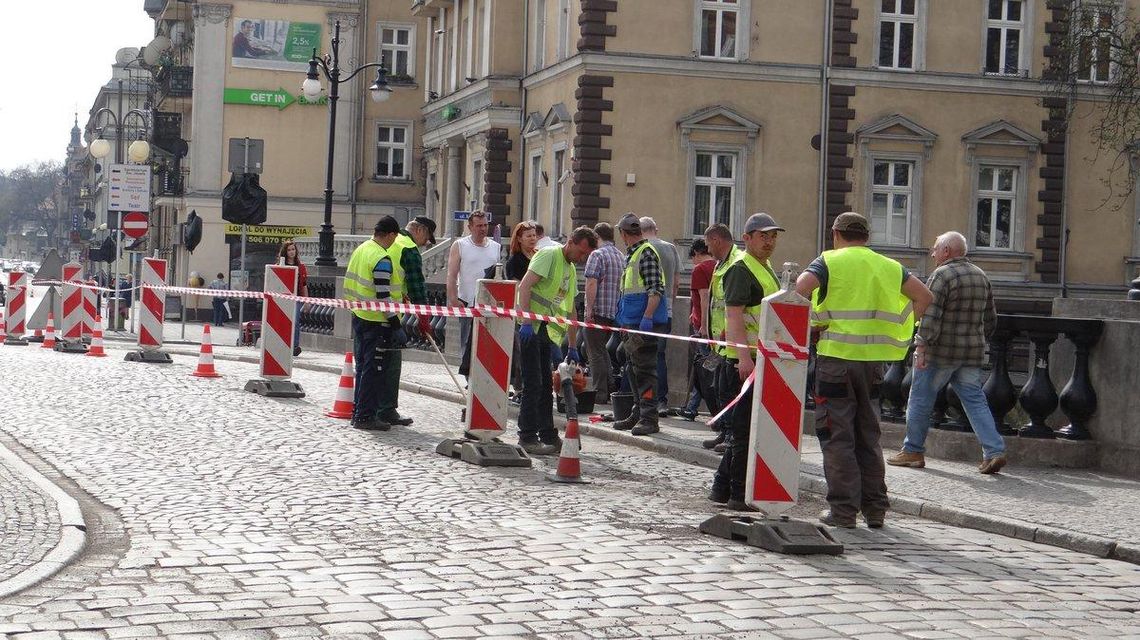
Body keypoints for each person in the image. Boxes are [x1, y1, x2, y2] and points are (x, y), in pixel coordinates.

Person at [795, 212, 933, 529]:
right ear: (866, 237)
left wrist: (811, 327)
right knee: (867, 436)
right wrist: (903, 328)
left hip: (836, 361)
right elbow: (924, 296)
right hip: (874, 363)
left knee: (837, 436)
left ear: (835, 233)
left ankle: (843, 511)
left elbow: (798, 291)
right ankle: (875, 509)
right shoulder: (889, 266)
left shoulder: (828, 261)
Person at [888, 231, 1007, 474]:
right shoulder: (981, 275)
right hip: (971, 353)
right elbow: (991, 319)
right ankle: (994, 451)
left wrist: (921, 345)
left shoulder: (942, 275)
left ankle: (913, 450)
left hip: (939, 353)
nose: (932, 254)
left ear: (946, 251)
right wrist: (978, 339)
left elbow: (931, 315)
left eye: (934, 249)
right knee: (975, 401)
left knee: (921, 398)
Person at [707, 213, 786, 511]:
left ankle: (720, 488)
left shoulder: (764, 267)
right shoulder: (742, 268)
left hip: (757, 358)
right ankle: (738, 496)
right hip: (744, 363)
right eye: (764, 236)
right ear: (748, 237)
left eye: (773, 236)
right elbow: (734, 315)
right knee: (742, 433)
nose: (770, 242)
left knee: (745, 431)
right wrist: (742, 357)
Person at [516, 227, 599, 455]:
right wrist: (525, 321)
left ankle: (547, 435)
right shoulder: (548, 255)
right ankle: (527, 436)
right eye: (581, 253)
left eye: (585, 256)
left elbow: (571, 308)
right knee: (533, 384)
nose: (581, 259)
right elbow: (525, 286)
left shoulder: (570, 269)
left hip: (546, 333)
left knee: (544, 386)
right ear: (570, 242)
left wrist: (572, 345)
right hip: (530, 329)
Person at [343, 216, 426, 431]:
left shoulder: (362, 249)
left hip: (359, 315)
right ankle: (366, 416)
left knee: (362, 368)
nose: (394, 241)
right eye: (394, 237)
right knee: (373, 370)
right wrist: (396, 325)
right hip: (377, 322)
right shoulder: (382, 257)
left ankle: (358, 413)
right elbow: (383, 295)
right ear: (389, 234)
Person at [612, 213, 669, 436]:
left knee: (645, 370)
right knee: (631, 365)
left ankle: (648, 418)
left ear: (624, 234)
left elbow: (655, 289)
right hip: (632, 322)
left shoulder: (644, 253)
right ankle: (639, 412)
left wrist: (647, 317)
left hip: (643, 324)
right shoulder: (634, 254)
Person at [700, 223, 741, 455]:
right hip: (721, 340)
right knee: (721, 390)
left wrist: (726, 331)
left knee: (729, 391)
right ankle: (725, 432)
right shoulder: (720, 264)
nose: (707, 248)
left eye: (708, 244)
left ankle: (732, 435)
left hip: (731, 340)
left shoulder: (736, 261)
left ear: (716, 240)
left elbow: (732, 304)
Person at [447, 211, 501, 383]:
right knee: (468, 342)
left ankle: (485, 377)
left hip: (488, 304)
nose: (483, 229)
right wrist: (453, 299)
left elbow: (498, 276)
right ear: (470, 227)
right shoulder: (460, 245)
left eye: (485, 225)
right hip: (467, 301)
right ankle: (469, 377)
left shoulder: (495, 247)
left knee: (488, 343)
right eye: (479, 225)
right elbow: (451, 274)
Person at [639, 217, 680, 412]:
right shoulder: (671, 248)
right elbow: (676, 282)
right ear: (656, 229)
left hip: (644, 311)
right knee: (660, 355)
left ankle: (645, 400)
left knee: (642, 358)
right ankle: (662, 400)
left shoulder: (641, 249)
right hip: (667, 310)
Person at [583, 221, 625, 404]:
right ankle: (610, 386)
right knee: (602, 351)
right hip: (615, 311)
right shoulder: (621, 256)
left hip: (598, 309)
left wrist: (588, 309)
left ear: (597, 237)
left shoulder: (597, 254)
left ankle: (600, 393)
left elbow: (591, 283)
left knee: (594, 352)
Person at [679, 239, 717, 421]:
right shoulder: (718, 266)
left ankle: (692, 408)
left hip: (704, 326)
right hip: (717, 325)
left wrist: (702, 324)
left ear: (696, 253)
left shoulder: (700, 269)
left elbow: (704, 297)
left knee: (703, 369)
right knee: (710, 367)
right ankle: (693, 406)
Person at [279, 240, 309, 356]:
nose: (292, 252)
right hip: (283, 299)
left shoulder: (300, 267)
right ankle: (282, 343)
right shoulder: (281, 266)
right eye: (289, 250)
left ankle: (295, 346)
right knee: (283, 322)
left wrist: (306, 300)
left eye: (293, 249)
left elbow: (304, 284)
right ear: (285, 252)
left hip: (296, 298)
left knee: (295, 322)